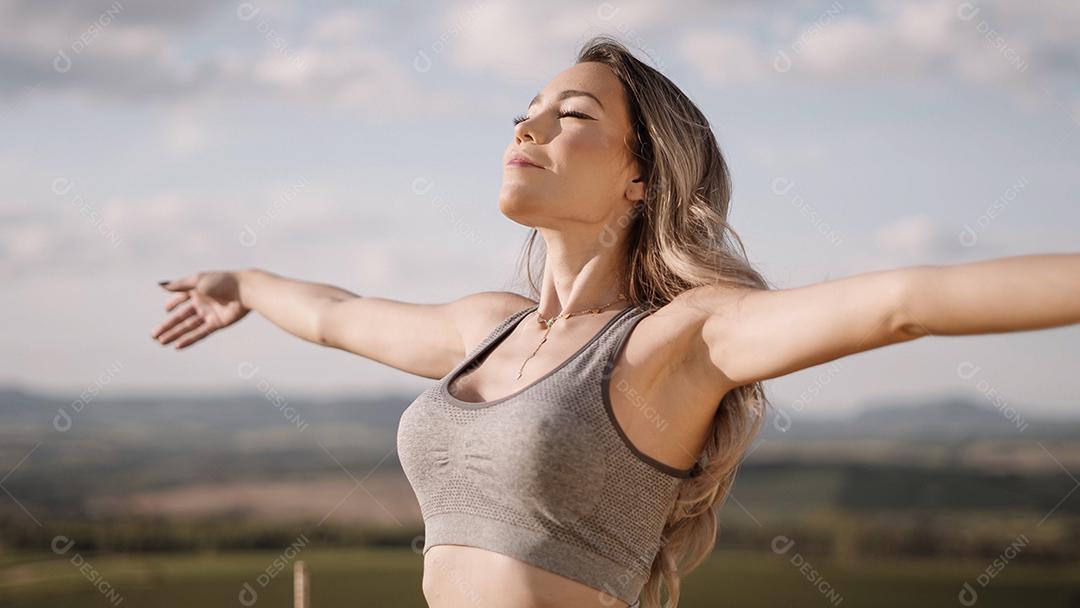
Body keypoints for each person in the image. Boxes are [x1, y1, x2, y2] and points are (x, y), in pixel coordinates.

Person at [150, 35, 1080, 608]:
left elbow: (904, 303)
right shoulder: (490, 328)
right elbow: (339, 316)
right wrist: (246, 282)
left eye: (569, 115)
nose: (528, 129)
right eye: (524, 113)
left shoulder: (677, 342)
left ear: (639, 177)